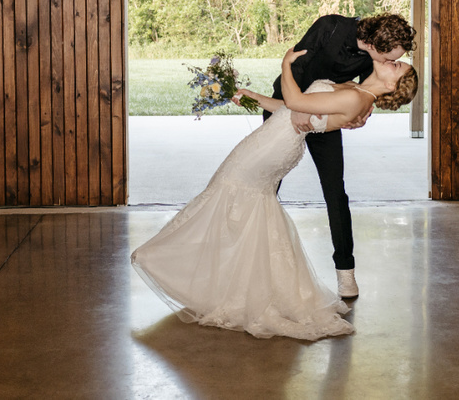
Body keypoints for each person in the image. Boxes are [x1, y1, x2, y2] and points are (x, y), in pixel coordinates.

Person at [131, 48, 418, 341]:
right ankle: (234, 288)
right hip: (275, 140)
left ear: (392, 86)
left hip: (273, 146)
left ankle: (173, 267)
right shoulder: (356, 90)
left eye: (396, 67)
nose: (391, 62)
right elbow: (290, 108)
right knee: (247, 208)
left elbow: (296, 101)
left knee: (225, 194)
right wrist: (254, 96)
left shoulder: (357, 98)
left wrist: (286, 64)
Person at [266, 13, 416, 299]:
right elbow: (296, 64)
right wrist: (297, 107)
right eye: (389, 58)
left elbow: (367, 89)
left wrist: (362, 116)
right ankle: (257, 261)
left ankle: (346, 273)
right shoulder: (330, 27)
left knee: (336, 192)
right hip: (286, 107)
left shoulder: (376, 58)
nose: (388, 65)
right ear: (374, 44)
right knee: (268, 184)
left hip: (326, 116)